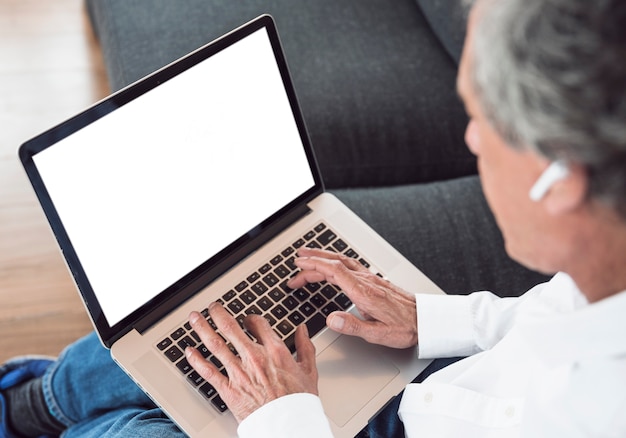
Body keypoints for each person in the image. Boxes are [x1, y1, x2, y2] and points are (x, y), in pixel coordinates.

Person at [2, 0, 625, 436]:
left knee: (118, 430)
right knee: (177, 324)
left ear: (562, 177)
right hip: (449, 390)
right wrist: (431, 319)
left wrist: (283, 416)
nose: (471, 142)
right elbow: (549, 320)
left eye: (481, 121)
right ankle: (29, 402)